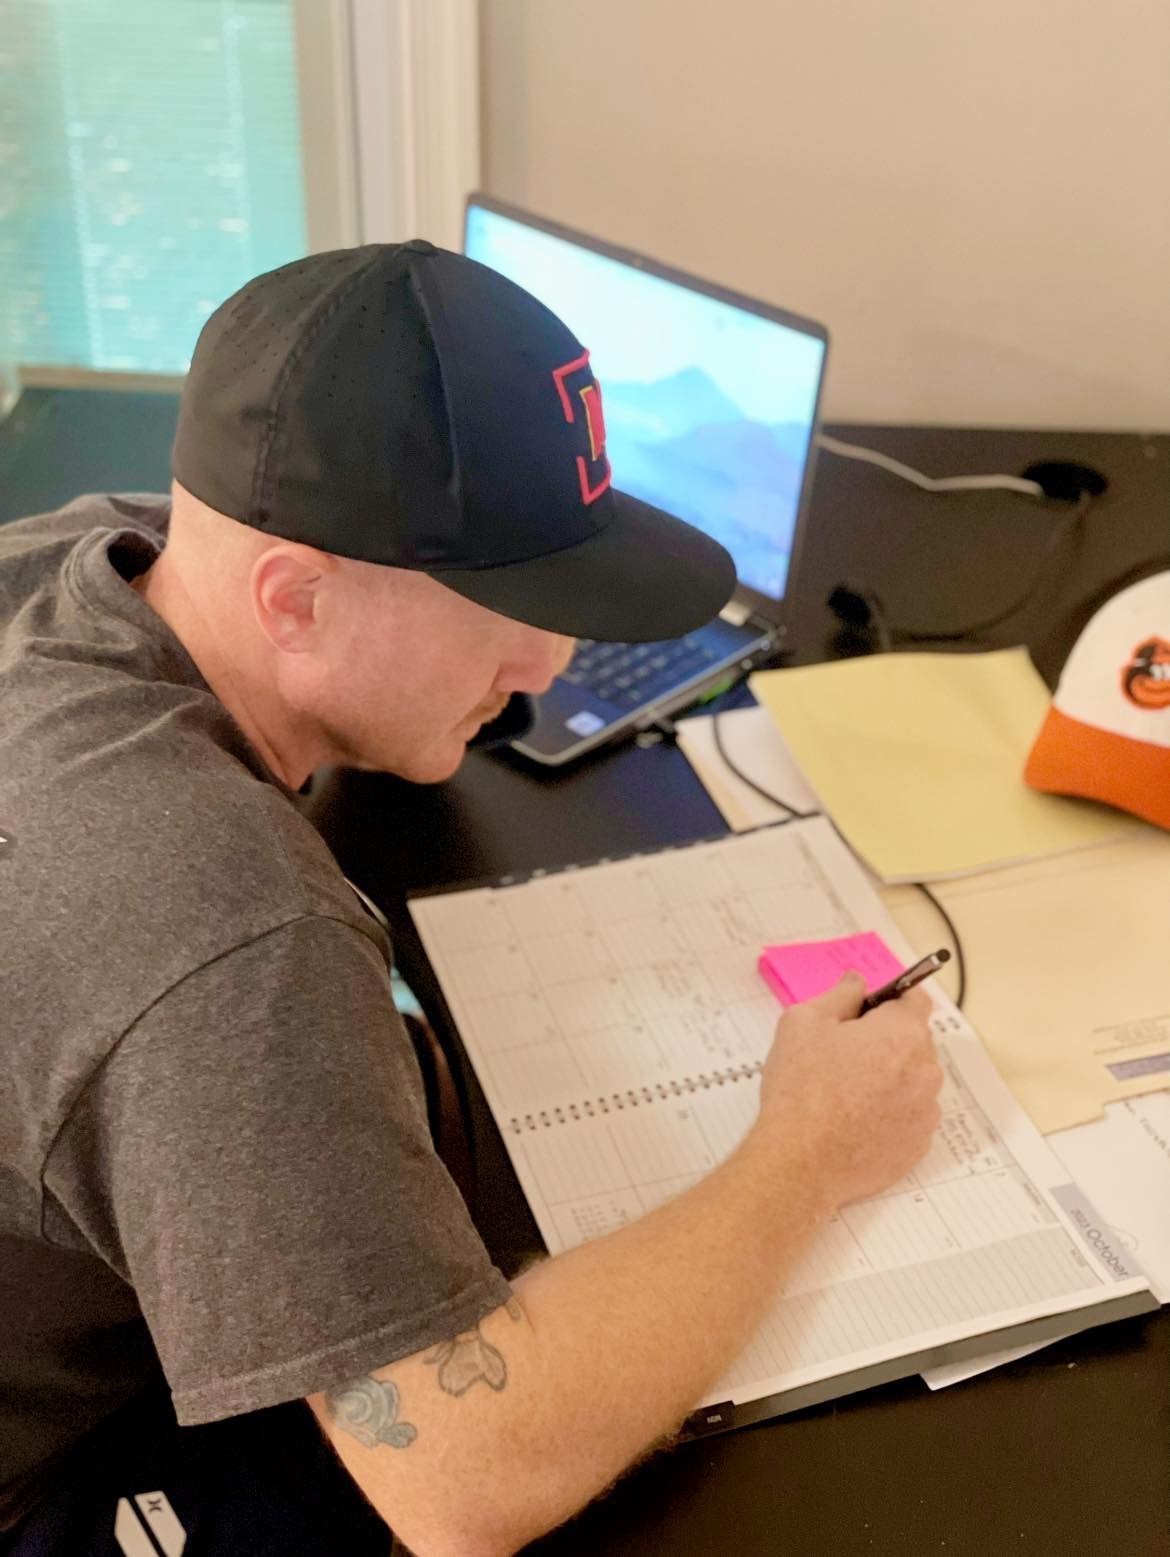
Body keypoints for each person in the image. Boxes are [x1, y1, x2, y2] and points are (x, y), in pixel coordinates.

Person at [0, 240, 942, 1556]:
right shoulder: (230, 933)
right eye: (505, 604)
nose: (548, 665)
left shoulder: (85, 557)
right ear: (295, 597)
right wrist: (805, 1153)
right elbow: (466, 1481)